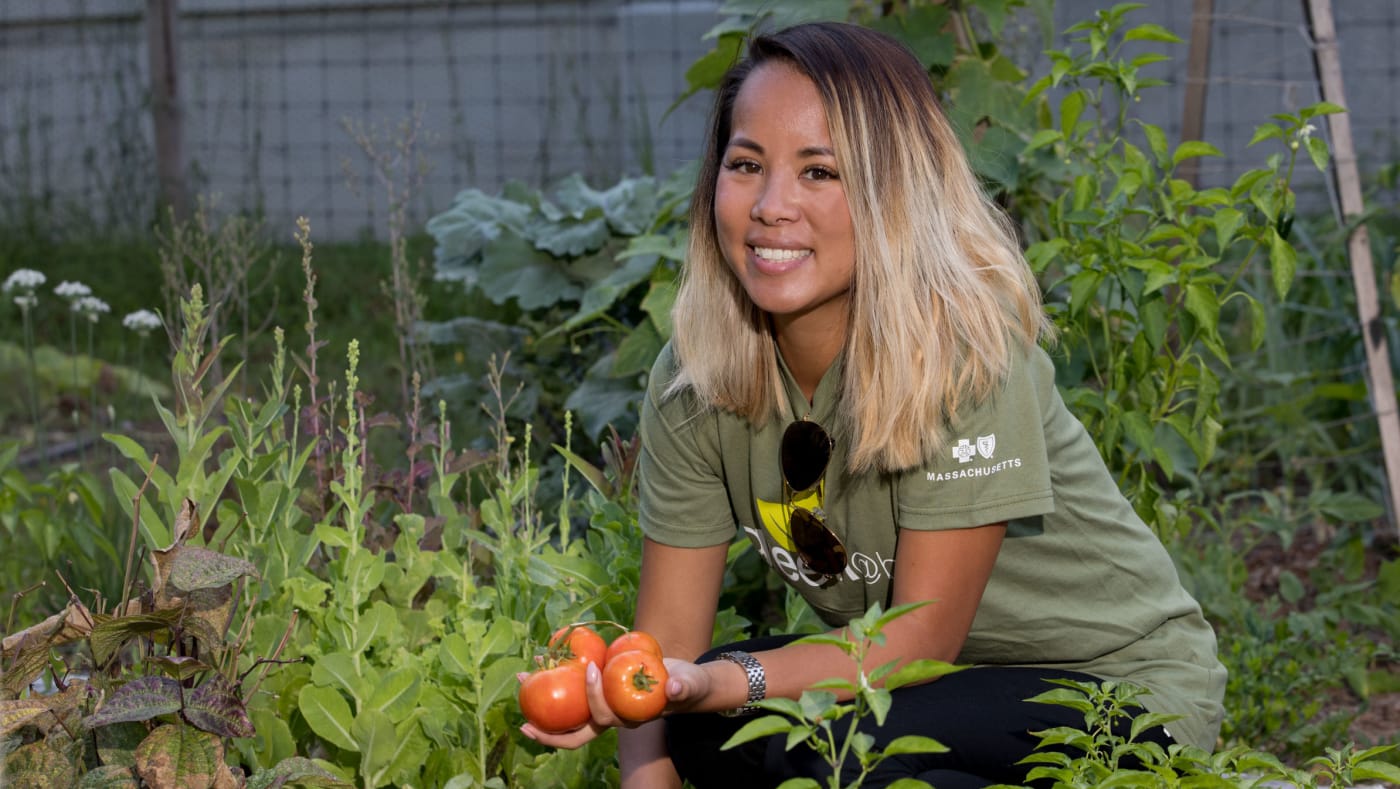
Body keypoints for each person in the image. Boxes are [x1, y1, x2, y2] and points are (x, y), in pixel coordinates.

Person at [521, 21, 1227, 789]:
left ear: (896, 189)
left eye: (820, 172)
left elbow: (918, 642)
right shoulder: (699, 378)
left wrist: (727, 683)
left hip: (1115, 696)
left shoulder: (965, 355)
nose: (772, 205)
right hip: (929, 705)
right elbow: (660, 658)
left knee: (813, 737)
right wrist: (662, 743)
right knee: (721, 713)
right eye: (747, 163)